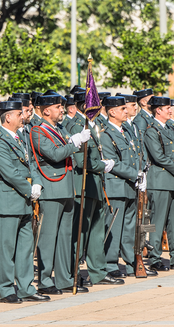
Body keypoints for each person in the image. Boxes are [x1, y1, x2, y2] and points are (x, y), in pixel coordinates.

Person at [0, 100, 50, 303]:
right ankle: (6, 290)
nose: (23, 117)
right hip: (8, 201)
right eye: (19, 114)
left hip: (24, 201)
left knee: (25, 247)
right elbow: (10, 172)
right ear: (8, 117)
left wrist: (38, 184)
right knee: (7, 249)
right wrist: (29, 188)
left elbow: (31, 163)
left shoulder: (19, 138)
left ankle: (25, 287)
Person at [30, 94, 90, 294]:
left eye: (62, 107)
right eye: (58, 107)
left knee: (65, 237)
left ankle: (64, 279)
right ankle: (45, 280)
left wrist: (77, 141)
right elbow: (54, 154)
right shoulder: (38, 131)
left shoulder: (60, 129)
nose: (62, 110)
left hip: (66, 186)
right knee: (48, 238)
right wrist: (74, 143)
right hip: (52, 188)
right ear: (46, 110)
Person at [67, 94, 118, 286]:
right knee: (80, 232)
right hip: (83, 184)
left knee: (96, 231)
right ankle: (73, 273)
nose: (100, 108)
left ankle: (98, 272)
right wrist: (102, 165)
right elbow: (81, 160)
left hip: (94, 184)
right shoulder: (77, 126)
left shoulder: (90, 124)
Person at [100, 96, 152, 278]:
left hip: (130, 186)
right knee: (114, 228)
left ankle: (131, 262)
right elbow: (111, 161)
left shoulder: (126, 132)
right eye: (122, 109)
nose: (126, 111)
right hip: (116, 187)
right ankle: (110, 263)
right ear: (112, 112)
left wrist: (141, 172)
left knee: (129, 228)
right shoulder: (106, 134)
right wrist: (134, 173)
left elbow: (136, 154)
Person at [144, 96, 174, 271]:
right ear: (158, 110)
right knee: (158, 221)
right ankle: (155, 257)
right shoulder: (151, 130)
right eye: (167, 108)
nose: (170, 110)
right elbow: (158, 157)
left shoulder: (170, 128)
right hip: (160, 181)